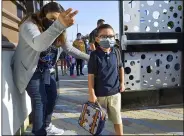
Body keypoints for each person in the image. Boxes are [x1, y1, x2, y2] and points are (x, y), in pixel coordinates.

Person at [11, 2, 89, 135]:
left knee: (52, 97)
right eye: (52, 18)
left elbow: (68, 48)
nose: (54, 22)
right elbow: (39, 45)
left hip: (48, 71)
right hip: (31, 71)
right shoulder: (29, 25)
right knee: (40, 100)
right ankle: (39, 131)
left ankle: (47, 125)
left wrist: (89, 57)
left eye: (57, 19)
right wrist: (59, 25)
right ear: (43, 15)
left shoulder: (60, 29)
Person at [88, 24, 125, 135]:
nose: (108, 39)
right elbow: (90, 76)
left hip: (115, 93)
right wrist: (91, 93)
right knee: (98, 122)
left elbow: (121, 68)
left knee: (117, 120)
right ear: (97, 39)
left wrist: (122, 83)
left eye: (111, 36)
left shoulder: (117, 52)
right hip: (100, 95)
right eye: (104, 36)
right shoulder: (94, 55)